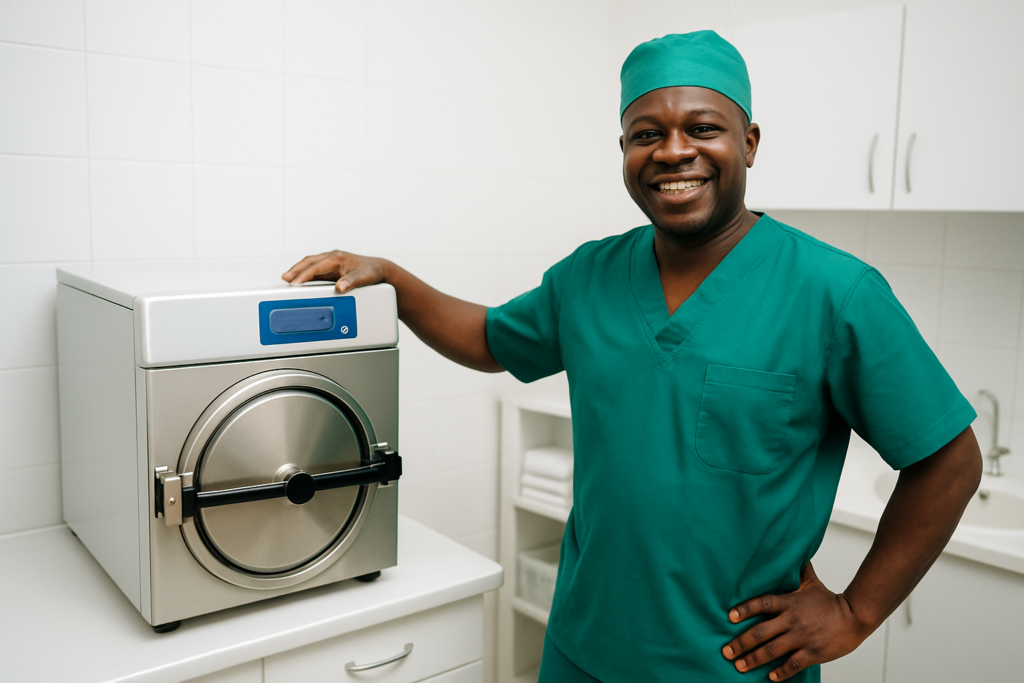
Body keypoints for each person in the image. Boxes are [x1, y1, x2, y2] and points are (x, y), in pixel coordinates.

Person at [283, 31, 982, 683]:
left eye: (703, 128)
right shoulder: (588, 277)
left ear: (751, 141)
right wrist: (395, 281)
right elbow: (490, 339)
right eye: (646, 134)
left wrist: (856, 612)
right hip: (581, 649)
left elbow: (948, 461)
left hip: (732, 664)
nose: (673, 151)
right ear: (624, 151)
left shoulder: (835, 292)